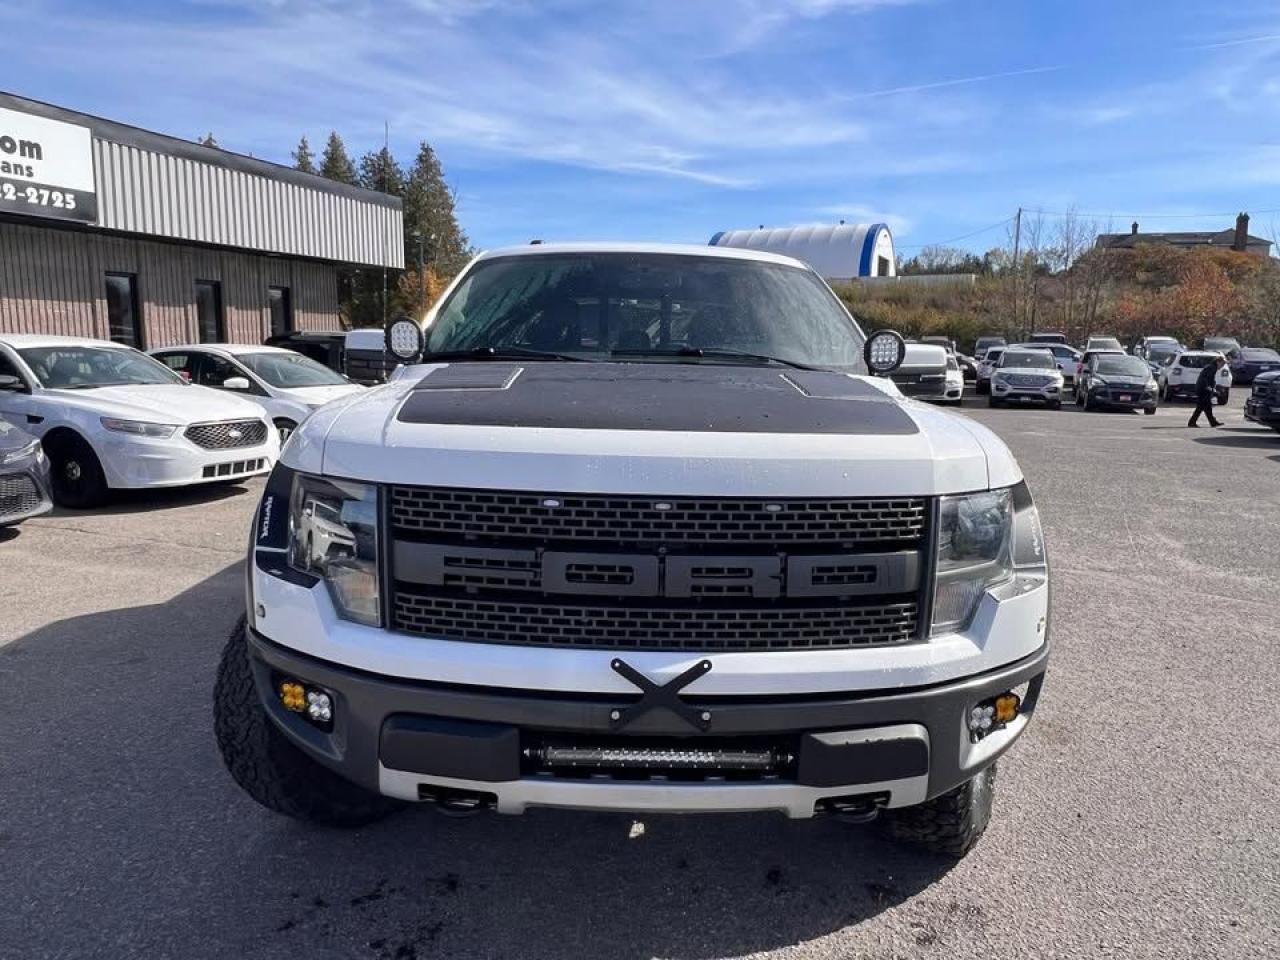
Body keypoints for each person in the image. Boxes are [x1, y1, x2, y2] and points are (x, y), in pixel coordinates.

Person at [1188, 355, 1225, 428]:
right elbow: (1204, 379)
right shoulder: (1211, 368)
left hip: (1203, 389)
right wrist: (1209, 388)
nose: (1222, 366)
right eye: (1222, 364)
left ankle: (1212, 422)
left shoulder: (1212, 367)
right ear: (1218, 362)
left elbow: (1209, 379)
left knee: (1205, 407)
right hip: (1203, 390)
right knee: (1203, 407)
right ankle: (1192, 422)